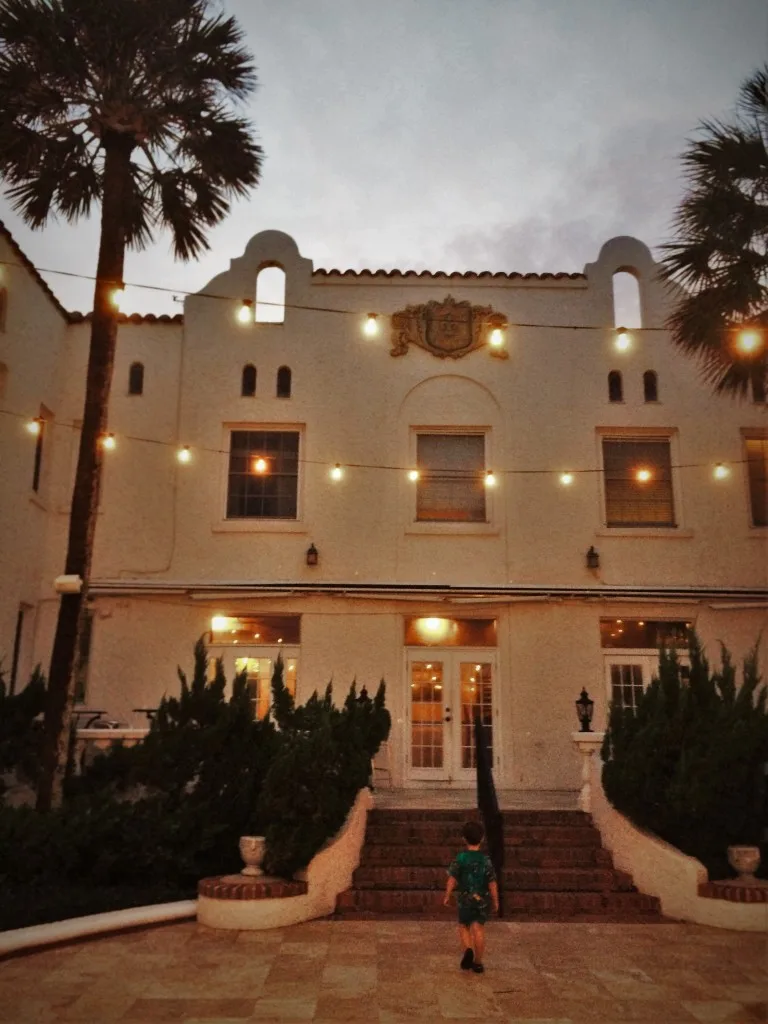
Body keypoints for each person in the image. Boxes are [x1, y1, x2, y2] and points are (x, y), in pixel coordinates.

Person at [443, 819, 499, 973]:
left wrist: (447, 895)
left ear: (463, 839)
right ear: (482, 838)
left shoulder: (460, 858)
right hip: (482, 900)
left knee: (463, 926)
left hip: (465, 899)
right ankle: (478, 962)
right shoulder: (486, 860)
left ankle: (468, 949)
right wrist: (496, 901)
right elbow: (492, 882)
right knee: (478, 928)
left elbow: (452, 878)